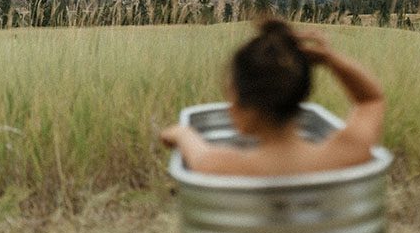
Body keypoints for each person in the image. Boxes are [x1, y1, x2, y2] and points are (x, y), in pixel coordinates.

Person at [160, 19, 385, 176]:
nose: (229, 108)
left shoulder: (221, 165)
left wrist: (180, 132)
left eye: (232, 97)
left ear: (246, 105)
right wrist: (328, 58)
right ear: (298, 94)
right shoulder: (344, 155)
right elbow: (371, 100)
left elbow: (192, 146)